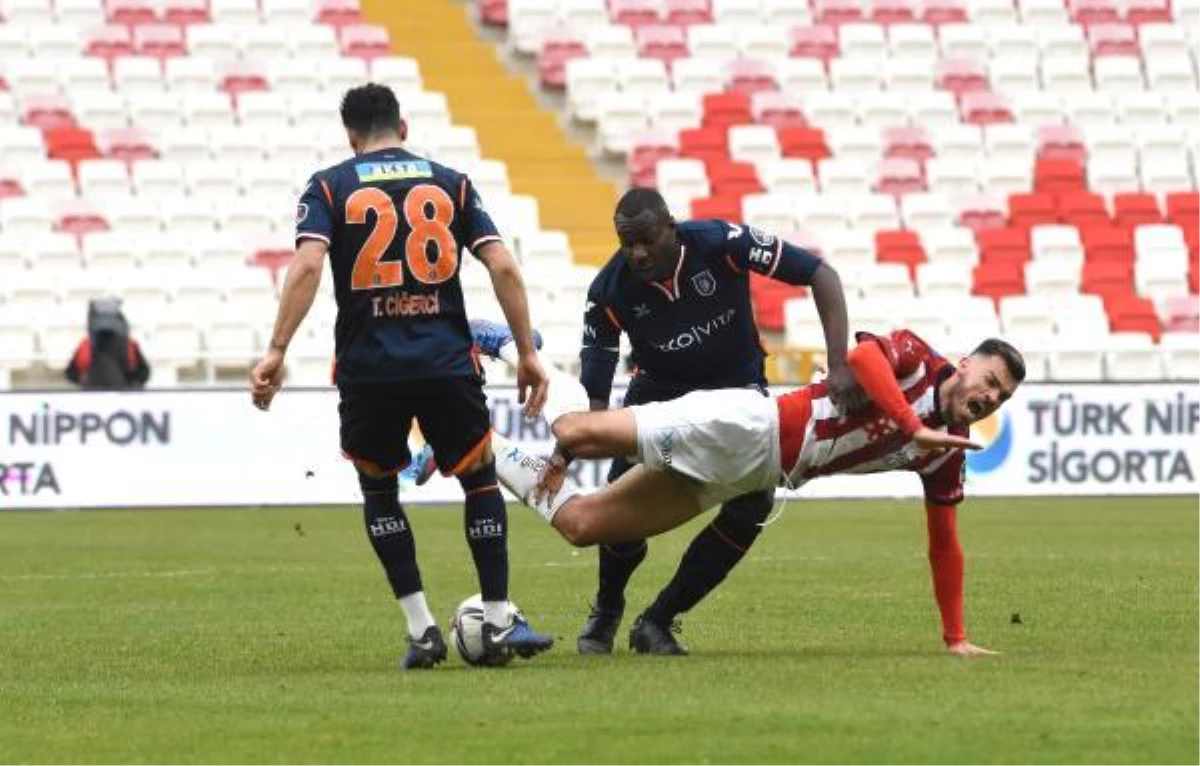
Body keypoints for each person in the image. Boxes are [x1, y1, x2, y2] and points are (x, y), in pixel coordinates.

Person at [477, 322, 1025, 657]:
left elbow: (944, 544)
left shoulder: (948, 449)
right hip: (747, 426)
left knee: (582, 526)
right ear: (965, 364)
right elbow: (861, 358)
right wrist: (910, 423)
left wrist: (955, 637)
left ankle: (478, 446)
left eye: (999, 398)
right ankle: (509, 346)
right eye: (991, 381)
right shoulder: (916, 358)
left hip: (748, 474)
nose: (990, 398)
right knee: (575, 432)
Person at [249, 83, 554, 669]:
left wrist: (277, 349)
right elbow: (503, 265)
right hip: (445, 361)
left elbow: (309, 262)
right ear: (404, 128)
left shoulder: (329, 185)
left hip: (370, 369)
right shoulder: (451, 182)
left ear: (352, 137)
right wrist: (526, 351)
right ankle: (495, 622)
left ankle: (423, 632)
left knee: (379, 488)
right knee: (480, 480)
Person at [573, 187, 863, 656]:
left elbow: (820, 274)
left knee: (753, 504)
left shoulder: (723, 242)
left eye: (646, 239)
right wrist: (596, 421)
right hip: (658, 397)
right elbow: (597, 358)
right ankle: (607, 610)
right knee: (618, 516)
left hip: (736, 393)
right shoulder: (609, 288)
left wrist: (839, 362)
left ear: (671, 225)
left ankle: (658, 621)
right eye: (627, 244)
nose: (637, 253)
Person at [65, 298, 150, 391]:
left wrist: (130, 380)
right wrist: (82, 378)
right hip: (92, 395)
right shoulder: (86, 345)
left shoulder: (130, 345)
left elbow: (143, 372)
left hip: (123, 394)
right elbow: (71, 372)